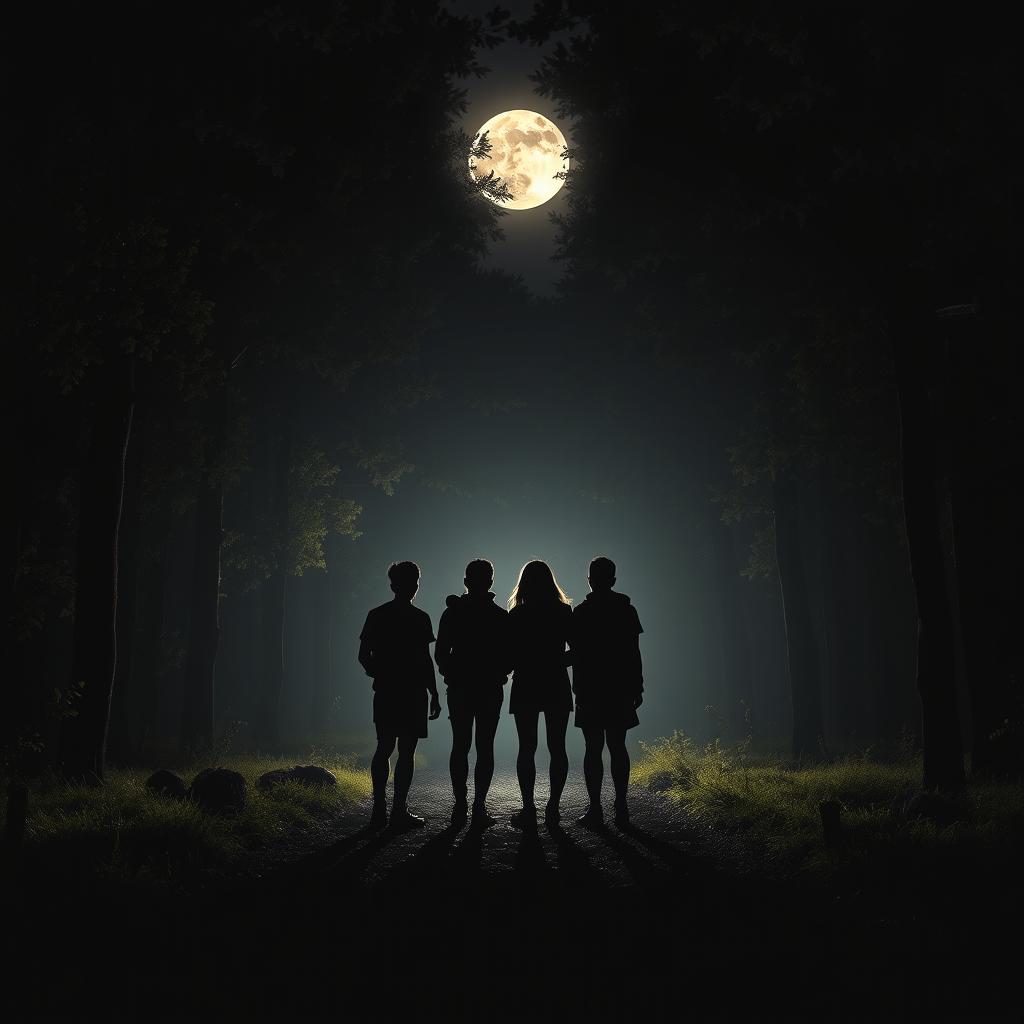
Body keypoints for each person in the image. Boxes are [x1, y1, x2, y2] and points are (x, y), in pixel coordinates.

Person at [358, 560, 441, 830]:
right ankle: (398, 810)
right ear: (414, 585)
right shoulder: (421, 618)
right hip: (414, 692)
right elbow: (426, 660)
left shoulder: (376, 615)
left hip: (386, 690)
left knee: (384, 746)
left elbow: (363, 656)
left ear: (392, 585)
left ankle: (379, 809)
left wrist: (380, 674)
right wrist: (434, 692)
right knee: (407, 752)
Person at [434, 558, 510, 829]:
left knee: (460, 745)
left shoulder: (452, 613)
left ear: (466, 581)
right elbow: (509, 656)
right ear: (491, 582)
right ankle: (478, 806)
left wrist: (451, 674)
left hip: (460, 688)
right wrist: (498, 671)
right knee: (484, 747)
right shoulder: (501, 616)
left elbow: (441, 653)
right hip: (490, 688)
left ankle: (460, 805)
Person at [570, 556, 644, 828]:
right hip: (620, 686)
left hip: (589, 688)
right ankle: (621, 805)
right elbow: (634, 652)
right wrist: (637, 685)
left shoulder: (581, 613)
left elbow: (575, 653)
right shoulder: (627, 610)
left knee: (593, 747)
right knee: (618, 745)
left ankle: (595, 808)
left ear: (589, 580)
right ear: (613, 580)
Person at [507, 559, 573, 829]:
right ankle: (553, 807)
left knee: (527, 747)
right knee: (557, 747)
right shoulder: (563, 611)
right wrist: (555, 661)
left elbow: (508, 656)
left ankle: (528, 807)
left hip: (526, 682)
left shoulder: (517, 615)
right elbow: (578, 651)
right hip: (556, 682)